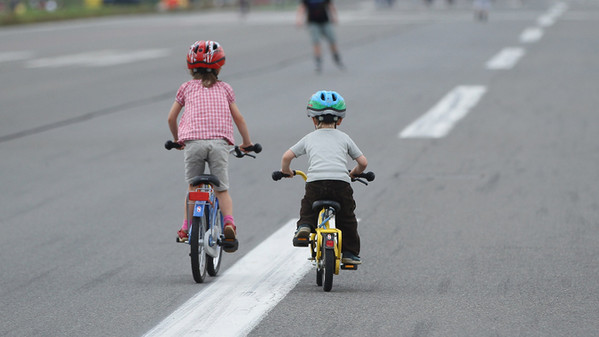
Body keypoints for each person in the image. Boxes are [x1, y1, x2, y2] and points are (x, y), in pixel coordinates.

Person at [167, 40, 253, 250]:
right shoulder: (225, 88)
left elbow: (171, 118)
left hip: (193, 143)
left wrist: (178, 139)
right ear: (220, 66)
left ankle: (186, 227)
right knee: (221, 189)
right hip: (219, 143)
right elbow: (239, 119)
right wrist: (247, 143)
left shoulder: (185, 88)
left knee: (192, 186)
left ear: (190, 67)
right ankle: (229, 224)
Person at [280, 90, 368, 264]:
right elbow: (363, 162)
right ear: (340, 120)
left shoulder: (309, 138)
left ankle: (305, 226)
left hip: (315, 183)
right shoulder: (344, 138)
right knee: (347, 217)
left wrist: (286, 171)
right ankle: (349, 253)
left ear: (313, 119)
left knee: (308, 207)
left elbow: (286, 157)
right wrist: (355, 172)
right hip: (340, 184)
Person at [296, 0, 344, 73]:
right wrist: (299, 19)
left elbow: (331, 6)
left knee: (332, 40)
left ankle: (336, 57)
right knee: (316, 42)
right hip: (313, 22)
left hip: (325, 21)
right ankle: (318, 61)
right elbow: (302, 7)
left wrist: (334, 17)